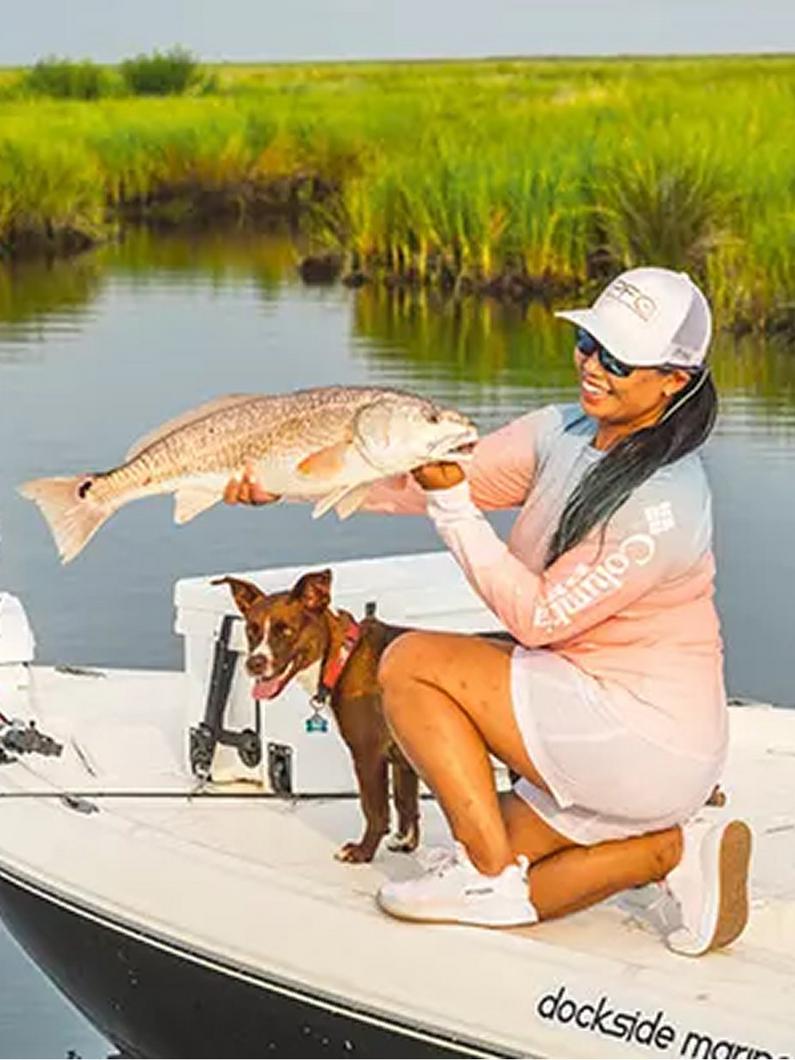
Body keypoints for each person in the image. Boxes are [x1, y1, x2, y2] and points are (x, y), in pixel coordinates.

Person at [224, 267, 751, 957]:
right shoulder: (561, 432)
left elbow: (534, 618)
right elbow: (422, 479)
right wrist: (282, 482)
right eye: (588, 341)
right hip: (591, 725)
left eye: (618, 359)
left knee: (406, 661)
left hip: (643, 741)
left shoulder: (663, 506)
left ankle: (485, 872)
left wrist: (452, 509)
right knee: (502, 859)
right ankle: (669, 850)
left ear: (673, 381)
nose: (591, 365)